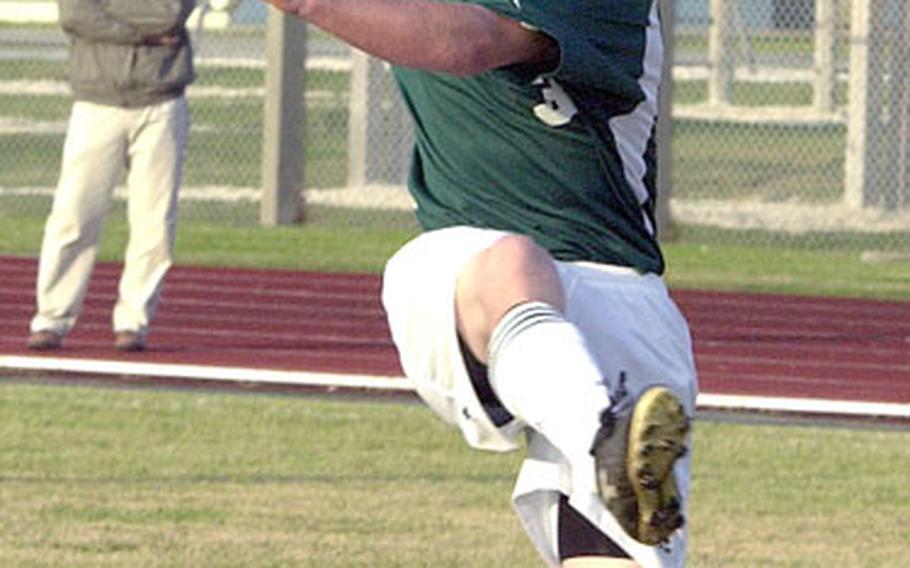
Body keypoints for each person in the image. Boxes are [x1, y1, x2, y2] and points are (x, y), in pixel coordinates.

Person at [263, 0, 698, 566]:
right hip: (468, 264)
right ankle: (603, 434)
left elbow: (470, 43)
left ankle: (608, 441)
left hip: (614, 292)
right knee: (511, 264)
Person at [27, 0, 196, 353]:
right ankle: (52, 317)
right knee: (74, 216)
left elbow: (169, 13)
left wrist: (110, 7)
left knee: (154, 222)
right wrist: (144, 33)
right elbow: (76, 15)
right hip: (96, 102)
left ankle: (134, 320)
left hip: (160, 99)